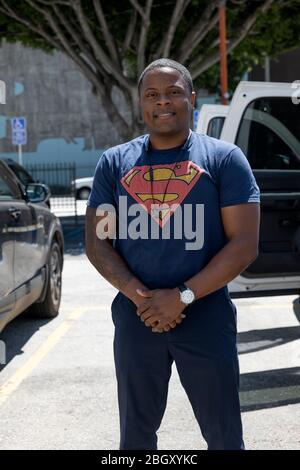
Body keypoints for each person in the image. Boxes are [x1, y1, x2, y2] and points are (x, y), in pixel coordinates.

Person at [85, 58, 260, 450]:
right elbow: (98, 243)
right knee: (135, 438)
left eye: (173, 92)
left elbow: (244, 244)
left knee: (224, 436)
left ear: (192, 98)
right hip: (137, 318)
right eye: (152, 94)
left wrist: (181, 296)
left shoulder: (224, 159)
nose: (163, 102)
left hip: (205, 316)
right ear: (141, 104)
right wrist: (141, 297)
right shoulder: (114, 163)